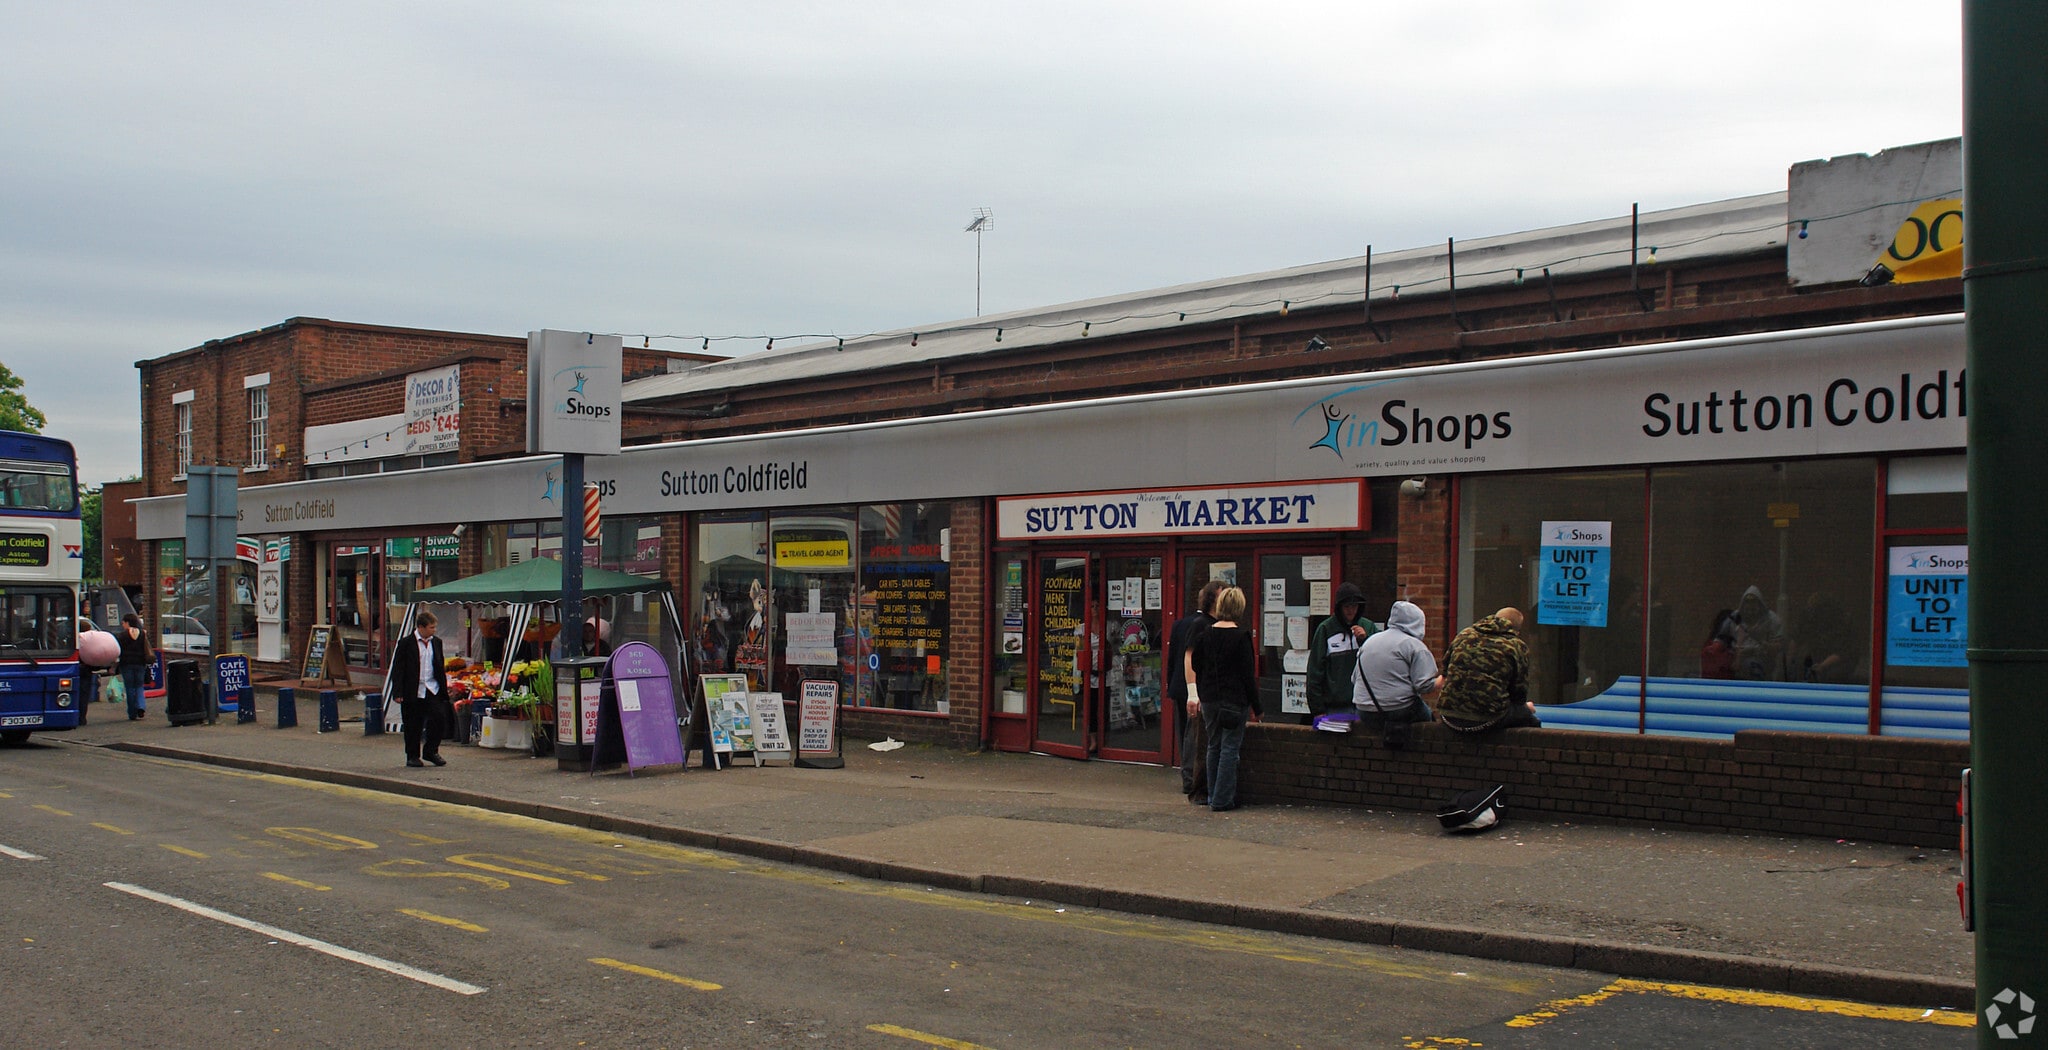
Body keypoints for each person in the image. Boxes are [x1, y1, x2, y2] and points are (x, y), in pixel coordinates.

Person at [1189, 586, 1260, 812]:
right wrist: (1257, 706)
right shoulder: (1241, 637)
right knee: (1230, 748)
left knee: (1214, 745)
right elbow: (1248, 675)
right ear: (1239, 608)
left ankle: (1212, 795)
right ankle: (1222, 799)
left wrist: (1203, 689)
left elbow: (1196, 664)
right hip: (1234, 700)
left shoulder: (1205, 634)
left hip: (1210, 699)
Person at [1350, 600, 1440, 747]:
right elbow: (1424, 686)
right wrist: (1441, 681)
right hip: (1399, 710)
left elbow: (1354, 679)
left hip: (1364, 711)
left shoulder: (1370, 641)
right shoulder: (1414, 645)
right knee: (1427, 718)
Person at [1437, 607, 1542, 732]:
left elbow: (1445, 671)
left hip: (1448, 716)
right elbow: (1519, 691)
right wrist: (1525, 709)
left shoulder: (1464, 635)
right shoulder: (1516, 645)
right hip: (1488, 718)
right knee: (1531, 718)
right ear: (1516, 630)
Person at [1167, 580, 1225, 803]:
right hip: (1194, 688)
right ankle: (1191, 778)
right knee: (1195, 735)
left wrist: (1170, 683)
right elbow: (1189, 657)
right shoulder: (1206, 625)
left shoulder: (1180, 624)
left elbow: (1172, 658)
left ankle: (1188, 775)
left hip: (1179, 685)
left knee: (1186, 733)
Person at [388, 610, 450, 768]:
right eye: (431, 627)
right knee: (413, 724)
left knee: (439, 719)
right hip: (413, 689)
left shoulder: (436, 642)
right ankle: (412, 756)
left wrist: (444, 688)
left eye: (435, 627)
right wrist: (398, 692)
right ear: (421, 627)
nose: (434, 630)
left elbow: (439, 666)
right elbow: (398, 669)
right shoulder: (406, 643)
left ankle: (431, 751)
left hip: (432, 688)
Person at [1306, 582, 1374, 718]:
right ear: (1339, 608)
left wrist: (1364, 641)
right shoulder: (1325, 629)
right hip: (1335, 706)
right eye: (1347, 606)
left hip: (1365, 705)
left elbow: (1378, 661)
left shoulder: (1368, 627)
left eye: (1354, 606)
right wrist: (1317, 709)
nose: (1351, 610)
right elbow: (1315, 672)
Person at [1728, 585, 1787, 681]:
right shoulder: (1734, 618)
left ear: (1760, 605)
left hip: (1761, 662)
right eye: (1747, 606)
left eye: (1753, 606)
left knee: (1751, 666)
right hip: (1735, 663)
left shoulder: (1771, 620)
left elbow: (1778, 647)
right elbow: (1723, 641)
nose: (1750, 612)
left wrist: (1760, 640)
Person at [116, 613, 152, 721]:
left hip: (126, 664)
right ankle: (141, 706)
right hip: (140, 663)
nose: (123, 625)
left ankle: (132, 712)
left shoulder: (122, 636)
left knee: (130, 687)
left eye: (123, 623)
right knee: (139, 686)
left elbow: (117, 650)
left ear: (127, 623)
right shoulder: (142, 634)